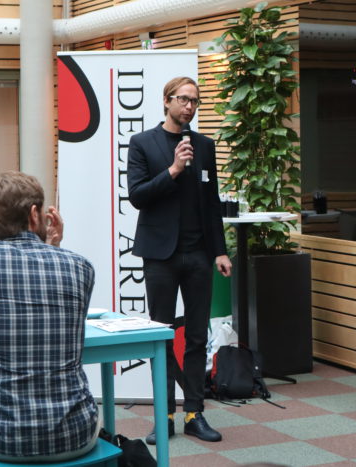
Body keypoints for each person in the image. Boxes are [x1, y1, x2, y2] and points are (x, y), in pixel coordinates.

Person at [127, 76, 232, 444]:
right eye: (184, 99)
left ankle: (194, 413)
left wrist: (219, 250)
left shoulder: (204, 145)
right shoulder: (143, 143)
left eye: (195, 101)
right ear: (167, 101)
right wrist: (172, 170)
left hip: (199, 254)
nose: (190, 106)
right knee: (161, 336)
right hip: (160, 255)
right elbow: (137, 196)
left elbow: (212, 202)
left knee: (197, 337)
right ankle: (165, 414)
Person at [0, 171, 99, 461]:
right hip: (74, 433)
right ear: (34, 215)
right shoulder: (80, 267)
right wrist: (51, 247)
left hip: (3, 438)